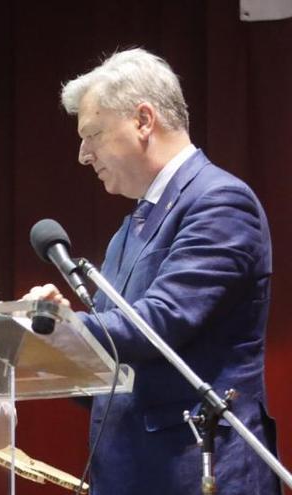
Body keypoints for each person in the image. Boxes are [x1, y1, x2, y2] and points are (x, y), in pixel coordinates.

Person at [27, 48, 280, 494]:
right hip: (132, 474)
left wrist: (62, 331)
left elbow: (161, 324)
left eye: (93, 134)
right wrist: (51, 336)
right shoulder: (131, 227)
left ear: (144, 120)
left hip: (199, 470)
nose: (83, 155)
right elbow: (110, 360)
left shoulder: (219, 202)